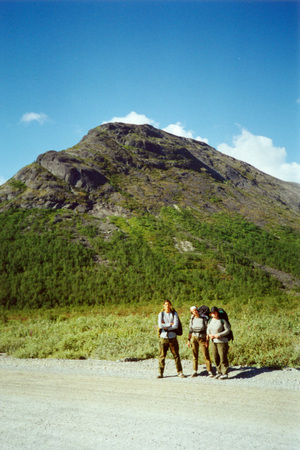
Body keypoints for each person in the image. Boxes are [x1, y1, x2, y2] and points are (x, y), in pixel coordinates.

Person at [157, 300, 185, 379]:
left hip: (173, 337)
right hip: (163, 337)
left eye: (168, 304)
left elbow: (175, 326)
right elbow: (160, 325)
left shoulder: (174, 314)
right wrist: (170, 324)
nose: (167, 306)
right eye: (166, 305)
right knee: (162, 355)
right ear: (163, 306)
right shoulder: (161, 314)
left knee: (176, 355)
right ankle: (160, 373)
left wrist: (165, 325)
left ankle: (180, 372)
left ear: (170, 305)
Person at [187, 306, 213, 378]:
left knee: (205, 354)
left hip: (202, 338)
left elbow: (207, 330)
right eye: (193, 311)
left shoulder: (204, 318)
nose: (195, 312)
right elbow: (190, 330)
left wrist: (207, 340)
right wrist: (189, 340)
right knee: (194, 354)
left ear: (197, 310)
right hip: (193, 337)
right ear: (191, 312)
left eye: (195, 310)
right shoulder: (192, 319)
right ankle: (195, 370)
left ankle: (209, 371)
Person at [207, 306, 231, 379]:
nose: (213, 314)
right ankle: (219, 371)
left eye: (214, 312)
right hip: (213, 341)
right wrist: (209, 334)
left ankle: (225, 372)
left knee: (222, 356)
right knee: (215, 356)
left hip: (222, 341)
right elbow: (207, 329)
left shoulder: (222, 320)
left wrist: (219, 335)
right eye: (212, 313)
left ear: (217, 313)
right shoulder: (210, 321)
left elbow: (227, 330)